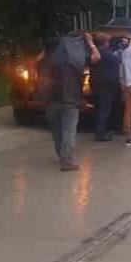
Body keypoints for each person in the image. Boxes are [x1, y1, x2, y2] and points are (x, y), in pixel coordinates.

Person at [43, 32, 100, 171]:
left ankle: (61, 155)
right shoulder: (76, 59)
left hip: (50, 100)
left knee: (56, 130)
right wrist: (91, 42)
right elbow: (97, 57)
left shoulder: (50, 58)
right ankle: (66, 160)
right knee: (69, 131)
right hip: (70, 100)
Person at [90, 33, 121, 142]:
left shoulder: (93, 53)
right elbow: (117, 61)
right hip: (106, 87)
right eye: (108, 42)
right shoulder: (105, 53)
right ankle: (100, 133)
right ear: (104, 43)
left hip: (95, 84)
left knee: (99, 109)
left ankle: (99, 130)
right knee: (104, 110)